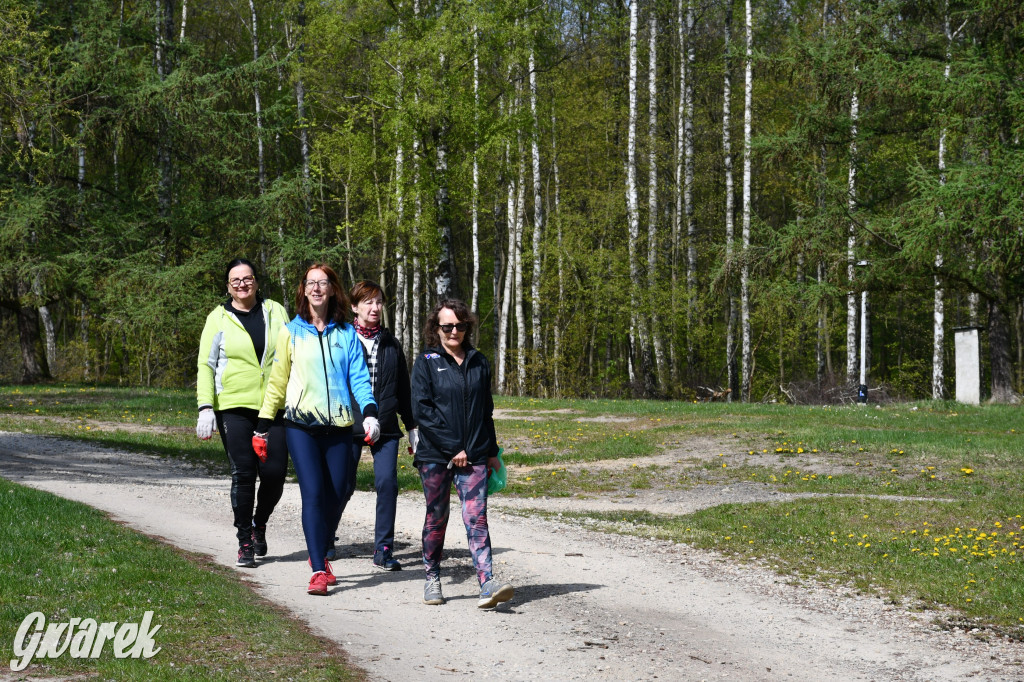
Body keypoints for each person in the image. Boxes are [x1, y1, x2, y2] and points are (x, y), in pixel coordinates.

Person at [254, 263, 379, 596]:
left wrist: (369, 412)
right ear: (303, 290)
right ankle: (319, 568)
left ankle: (320, 543)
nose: (317, 288)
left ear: (333, 289)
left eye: (323, 283)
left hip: (339, 426)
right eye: (311, 283)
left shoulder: (347, 334)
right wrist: (263, 426)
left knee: (340, 489)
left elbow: (360, 379)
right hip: (300, 427)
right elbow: (277, 382)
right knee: (312, 494)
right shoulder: (290, 332)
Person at [410, 298, 514, 609]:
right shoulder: (425, 361)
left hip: (476, 454)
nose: (454, 331)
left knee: (476, 518)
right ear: (436, 328)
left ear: (467, 327)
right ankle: (432, 578)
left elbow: (486, 411)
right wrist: (453, 447)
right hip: (435, 455)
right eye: (447, 326)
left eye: (459, 325)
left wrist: (492, 450)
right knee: (436, 516)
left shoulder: (479, 361)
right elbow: (422, 412)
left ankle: (487, 583)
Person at [196, 258, 289, 568]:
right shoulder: (218, 318)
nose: (242, 284)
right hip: (233, 406)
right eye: (235, 281)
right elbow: (206, 365)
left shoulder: (275, 311)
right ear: (228, 286)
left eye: (247, 278)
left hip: (273, 406)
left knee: (275, 475)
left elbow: (291, 356)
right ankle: (245, 540)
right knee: (244, 472)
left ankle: (259, 522)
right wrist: (205, 406)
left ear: (257, 282)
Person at [327, 281, 416, 571]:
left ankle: (384, 549)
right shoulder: (339, 338)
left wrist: (413, 428)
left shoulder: (391, 343)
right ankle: (326, 536)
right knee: (342, 485)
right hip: (347, 423)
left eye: (378, 302)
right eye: (367, 302)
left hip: (387, 425)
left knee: (387, 483)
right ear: (354, 306)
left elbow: (403, 389)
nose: (374, 308)